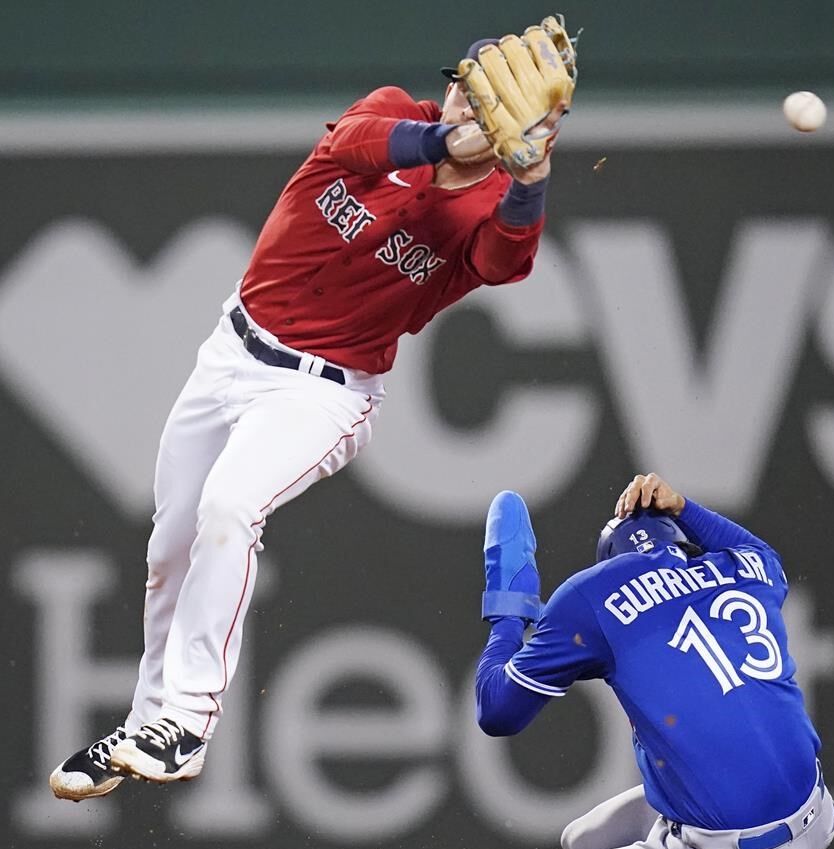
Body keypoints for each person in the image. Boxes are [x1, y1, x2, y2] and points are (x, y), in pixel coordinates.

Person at [50, 32, 568, 799]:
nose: (471, 99)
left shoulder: (491, 205)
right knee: (172, 547)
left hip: (323, 390)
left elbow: (502, 261)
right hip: (230, 350)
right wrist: (445, 136)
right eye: (468, 83)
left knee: (231, 508)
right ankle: (145, 720)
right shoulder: (395, 116)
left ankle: (186, 721)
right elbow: (357, 140)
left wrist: (529, 181)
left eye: (490, 95)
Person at [475, 473, 834, 849]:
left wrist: (509, 611)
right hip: (818, 813)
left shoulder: (594, 595)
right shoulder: (749, 570)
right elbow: (759, 550)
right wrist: (684, 507)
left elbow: (497, 711)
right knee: (584, 839)